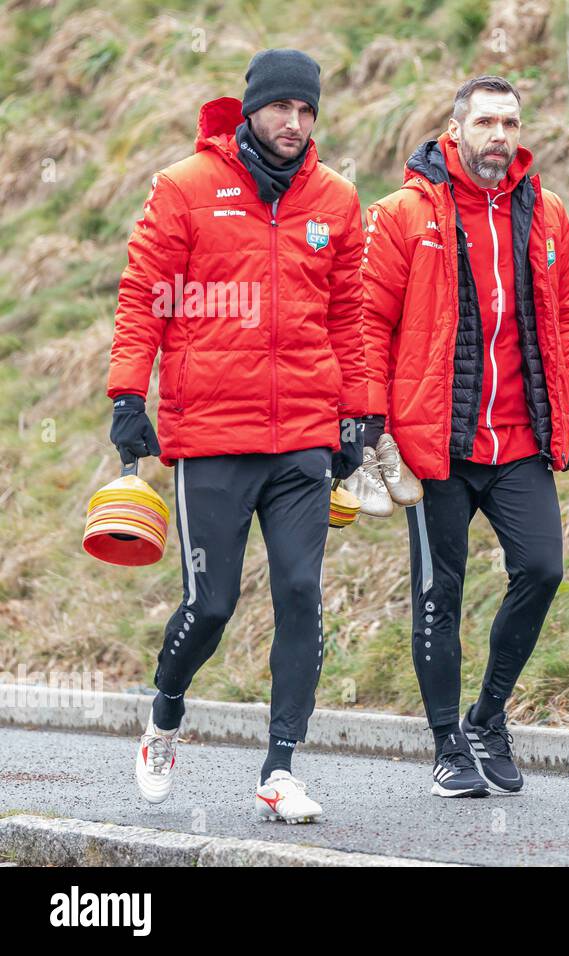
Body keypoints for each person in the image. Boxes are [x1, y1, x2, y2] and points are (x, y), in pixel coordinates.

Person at [107, 49, 368, 823]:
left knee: (299, 594)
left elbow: (349, 318)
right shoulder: (186, 188)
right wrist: (128, 393)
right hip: (213, 434)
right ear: (252, 109)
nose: (296, 123)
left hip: (302, 441)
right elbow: (142, 296)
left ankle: (280, 769)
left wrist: (357, 413)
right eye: (282, 108)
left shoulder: (338, 200)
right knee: (211, 604)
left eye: (308, 110)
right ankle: (164, 715)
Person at [360, 75, 569, 797]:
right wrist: (369, 417)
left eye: (511, 122)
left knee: (544, 569)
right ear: (454, 129)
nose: (500, 136)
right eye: (486, 122)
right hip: (436, 444)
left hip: (519, 438)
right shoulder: (405, 213)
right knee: (440, 594)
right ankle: (446, 745)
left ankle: (488, 717)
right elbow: (367, 321)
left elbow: (565, 322)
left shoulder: (546, 213)